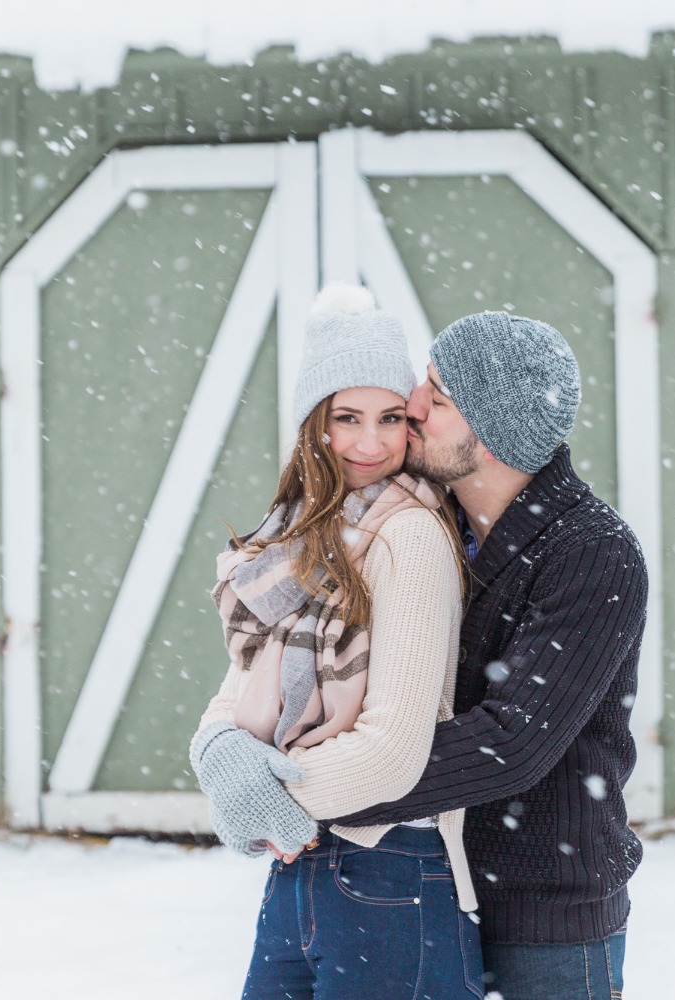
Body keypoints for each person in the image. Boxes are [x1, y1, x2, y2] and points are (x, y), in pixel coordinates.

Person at [201, 308, 650, 1000]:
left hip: (545, 913)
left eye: (434, 399)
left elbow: (513, 742)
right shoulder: (419, 512)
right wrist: (224, 748)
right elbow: (294, 640)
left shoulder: (591, 554)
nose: (410, 407)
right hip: (429, 876)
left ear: (491, 435)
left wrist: (296, 788)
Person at [188, 283, 483, 999]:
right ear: (312, 426)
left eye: (390, 418)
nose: (370, 443)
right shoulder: (305, 537)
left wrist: (267, 793)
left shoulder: (407, 532)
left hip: (392, 866)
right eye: (345, 418)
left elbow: (393, 753)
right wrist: (220, 752)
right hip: (304, 865)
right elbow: (243, 684)